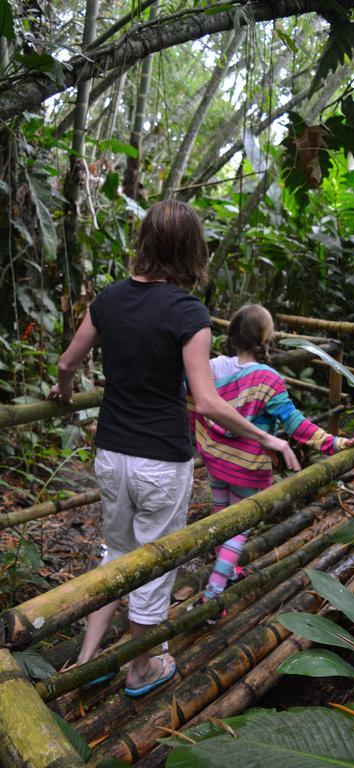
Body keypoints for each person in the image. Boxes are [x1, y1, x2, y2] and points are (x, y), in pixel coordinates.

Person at [48, 202, 299, 698]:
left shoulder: (109, 299)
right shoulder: (189, 313)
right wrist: (268, 437)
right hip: (161, 460)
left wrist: (63, 389)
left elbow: (66, 362)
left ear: (144, 243)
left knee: (116, 552)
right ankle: (141, 669)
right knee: (154, 561)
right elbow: (205, 401)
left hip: (112, 454)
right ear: (191, 250)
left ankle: (87, 659)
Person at [190, 303, 354, 607]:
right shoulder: (267, 379)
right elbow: (294, 424)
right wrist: (334, 442)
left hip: (216, 460)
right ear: (265, 337)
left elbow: (190, 395)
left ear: (232, 335)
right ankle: (211, 597)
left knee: (221, 520)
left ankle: (228, 570)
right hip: (247, 469)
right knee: (237, 531)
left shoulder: (212, 368)